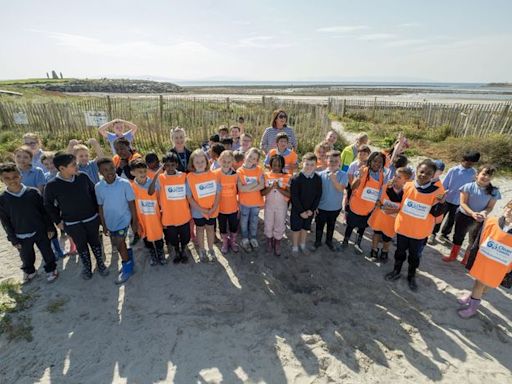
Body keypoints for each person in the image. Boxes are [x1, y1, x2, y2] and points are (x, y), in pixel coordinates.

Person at [44, 152, 108, 280]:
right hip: (72, 223)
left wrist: (98, 214)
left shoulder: (82, 177)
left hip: (91, 218)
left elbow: (94, 193)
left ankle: (100, 264)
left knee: (95, 242)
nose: (77, 166)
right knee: (81, 245)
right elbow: (49, 205)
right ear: (62, 168)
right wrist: (58, 221)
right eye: (73, 165)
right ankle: (87, 267)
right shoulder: (52, 185)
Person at [385, 159, 446, 291]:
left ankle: (411, 276)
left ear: (433, 175)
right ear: (417, 170)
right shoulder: (408, 185)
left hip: (419, 233)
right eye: (421, 171)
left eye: (428, 173)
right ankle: (396, 271)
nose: (424, 175)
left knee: (414, 256)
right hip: (403, 228)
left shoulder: (437, 191)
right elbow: (397, 200)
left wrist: (441, 204)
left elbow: (436, 214)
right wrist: (390, 189)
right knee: (399, 252)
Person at [0, 163, 58, 283]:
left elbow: (44, 212)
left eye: (15, 177)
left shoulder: (33, 192)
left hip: (40, 231)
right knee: (26, 256)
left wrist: (50, 227)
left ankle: (51, 269)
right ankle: (30, 270)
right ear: (1, 179)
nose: (12, 180)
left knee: (47, 252)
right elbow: (5, 221)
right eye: (7, 178)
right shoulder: (2, 199)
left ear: (20, 176)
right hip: (21, 234)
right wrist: (13, 239)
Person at [457, 200, 512, 318]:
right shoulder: (492, 221)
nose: (509, 211)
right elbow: (481, 238)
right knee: (479, 284)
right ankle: (472, 303)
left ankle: (472, 302)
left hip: (500, 266)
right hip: (486, 260)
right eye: (509, 207)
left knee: (487, 285)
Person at [444, 165, 501, 263]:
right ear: (477, 174)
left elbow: (490, 207)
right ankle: (453, 256)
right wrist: (472, 213)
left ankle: (466, 259)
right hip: (464, 215)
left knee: (473, 240)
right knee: (458, 236)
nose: (486, 177)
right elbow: (463, 203)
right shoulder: (468, 187)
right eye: (483, 174)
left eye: (489, 175)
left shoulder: (494, 191)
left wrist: (483, 212)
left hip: (479, 219)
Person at [96, 157, 139, 284]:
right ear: (100, 172)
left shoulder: (124, 183)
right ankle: (129, 258)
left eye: (112, 168)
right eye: (105, 170)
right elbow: (101, 207)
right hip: (110, 221)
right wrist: (103, 224)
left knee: (120, 244)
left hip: (124, 220)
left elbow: (132, 203)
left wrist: (134, 221)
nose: (109, 172)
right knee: (117, 244)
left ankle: (127, 268)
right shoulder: (98, 187)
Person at [149, 152, 192, 264]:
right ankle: (177, 251)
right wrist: (157, 174)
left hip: (183, 214)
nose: (170, 168)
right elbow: (150, 192)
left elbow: (189, 194)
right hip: (169, 216)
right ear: (163, 166)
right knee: (173, 238)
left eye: (172, 165)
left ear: (177, 165)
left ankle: (183, 250)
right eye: (167, 165)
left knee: (185, 236)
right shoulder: (161, 178)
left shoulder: (183, 176)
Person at [343, 151, 386, 254]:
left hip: (368, 208)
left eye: (380, 162)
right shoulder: (362, 170)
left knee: (362, 227)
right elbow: (352, 187)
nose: (377, 164)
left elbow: (379, 191)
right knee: (350, 225)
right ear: (370, 161)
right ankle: (345, 241)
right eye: (375, 161)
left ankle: (357, 243)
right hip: (356, 205)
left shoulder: (381, 176)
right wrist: (359, 177)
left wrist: (378, 202)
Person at [368, 167, 413, 263]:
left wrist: (393, 211)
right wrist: (379, 203)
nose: (396, 178)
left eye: (399, 177)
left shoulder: (407, 193)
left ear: (407, 180)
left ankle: (385, 251)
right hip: (380, 216)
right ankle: (374, 249)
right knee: (376, 233)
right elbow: (378, 198)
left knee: (387, 237)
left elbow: (405, 208)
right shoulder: (386, 186)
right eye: (395, 175)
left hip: (392, 219)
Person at [436, 151, 480, 243]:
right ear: (463, 160)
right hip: (447, 198)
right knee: (440, 216)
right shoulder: (453, 170)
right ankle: (433, 233)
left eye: (472, 163)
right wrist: (440, 196)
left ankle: (444, 234)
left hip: (460, 202)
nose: (470, 164)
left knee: (451, 220)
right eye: (468, 162)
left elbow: (473, 188)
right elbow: (444, 185)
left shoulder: (474, 173)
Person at [129, 159, 166, 266]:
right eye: (139, 172)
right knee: (146, 238)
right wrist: (135, 222)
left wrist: (163, 213)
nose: (143, 174)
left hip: (155, 217)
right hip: (142, 219)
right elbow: (132, 206)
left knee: (158, 237)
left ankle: (160, 253)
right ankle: (153, 254)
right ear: (133, 173)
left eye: (144, 171)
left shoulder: (154, 184)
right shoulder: (131, 187)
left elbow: (160, 200)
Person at [186, 149, 221, 262]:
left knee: (211, 229)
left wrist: (214, 207)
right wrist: (201, 209)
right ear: (192, 164)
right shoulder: (190, 177)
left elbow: (218, 193)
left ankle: (211, 249)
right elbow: (189, 197)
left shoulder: (214, 174)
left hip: (212, 210)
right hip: (198, 211)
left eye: (202, 161)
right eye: (197, 162)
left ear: (207, 162)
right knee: (200, 230)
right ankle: (202, 250)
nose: (200, 164)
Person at [314, 150, 348, 251]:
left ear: (340, 162)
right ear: (326, 161)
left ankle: (329, 241)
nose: (333, 163)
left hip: (335, 207)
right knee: (319, 225)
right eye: (331, 161)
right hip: (321, 207)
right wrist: (315, 206)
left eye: (336, 161)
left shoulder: (343, 175)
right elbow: (316, 192)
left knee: (331, 225)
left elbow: (341, 189)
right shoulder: (320, 175)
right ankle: (318, 241)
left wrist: (334, 179)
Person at [290, 153, 322, 255]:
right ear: (302, 163)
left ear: (316, 165)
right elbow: (294, 196)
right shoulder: (296, 178)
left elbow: (318, 195)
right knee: (296, 229)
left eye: (312, 164)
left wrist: (311, 210)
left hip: (309, 211)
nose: (309, 167)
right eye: (307, 164)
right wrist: (301, 211)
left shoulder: (317, 178)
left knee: (305, 228)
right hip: (297, 210)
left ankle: (302, 245)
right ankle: (295, 246)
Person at [261, 154, 291, 256]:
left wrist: (278, 188)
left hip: (281, 206)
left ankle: (277, 241)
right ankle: (269, 240)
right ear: (270, 165)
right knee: (268, 223)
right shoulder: (266, 175)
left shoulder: (287, 177)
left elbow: (289, 194)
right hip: (269, 205)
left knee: (279, 223)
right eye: (274, 165)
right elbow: (262, 193)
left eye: (279, 165)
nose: (276, 167)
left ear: (282, 165)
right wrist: (270, 188)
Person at [237, 148, 265, 252]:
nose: (251, 159)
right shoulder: (240, 171)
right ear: (245, 156)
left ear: (256, 161)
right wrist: (254, 184)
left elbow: (261, 185)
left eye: (254, 158)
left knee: (254, 221)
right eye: (250, 156)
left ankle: (253, 237)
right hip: (244, 203)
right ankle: (245, 238)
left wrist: (247, 188)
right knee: (244, 221)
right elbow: (240, 188)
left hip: (256, 202)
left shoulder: (259, 170)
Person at [213, 150, 240, 254]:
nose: (226, 164)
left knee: (233, 226)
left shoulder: (235, 175)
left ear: (232, 162)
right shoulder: (215, 174)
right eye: (224, 161)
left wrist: (239, 204)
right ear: (219, 161)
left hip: (233, 207)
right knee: (222, 226)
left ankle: (232, 241)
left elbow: (239, 190)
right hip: (221, 208)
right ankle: (225, 242)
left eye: (229, 162)